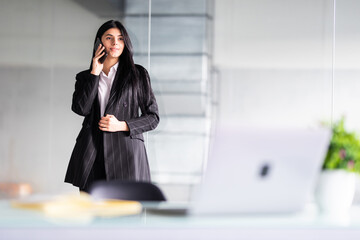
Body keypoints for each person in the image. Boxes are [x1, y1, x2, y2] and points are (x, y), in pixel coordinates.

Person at [64, 20, 159, 192]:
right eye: (109, 38)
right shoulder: (85, 77)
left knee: (126, 215)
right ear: (99, 43)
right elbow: (81, 109)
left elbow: (153, 118)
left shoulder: (137, 74)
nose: (115, 43)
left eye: (120, 38)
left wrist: (122, 125)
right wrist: (95, 73)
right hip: (93, 155)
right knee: (93, 213)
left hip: (126, 156)